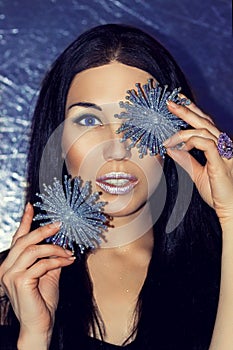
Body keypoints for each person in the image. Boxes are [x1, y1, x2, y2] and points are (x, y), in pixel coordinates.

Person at [0, 23, 233, 350]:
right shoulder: (12, 285)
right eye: (89, 121)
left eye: (137, 122)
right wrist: (35, 338)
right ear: (58, 140)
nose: (116, 149)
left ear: (180, 132)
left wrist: (232, 218)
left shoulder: (220, 270)